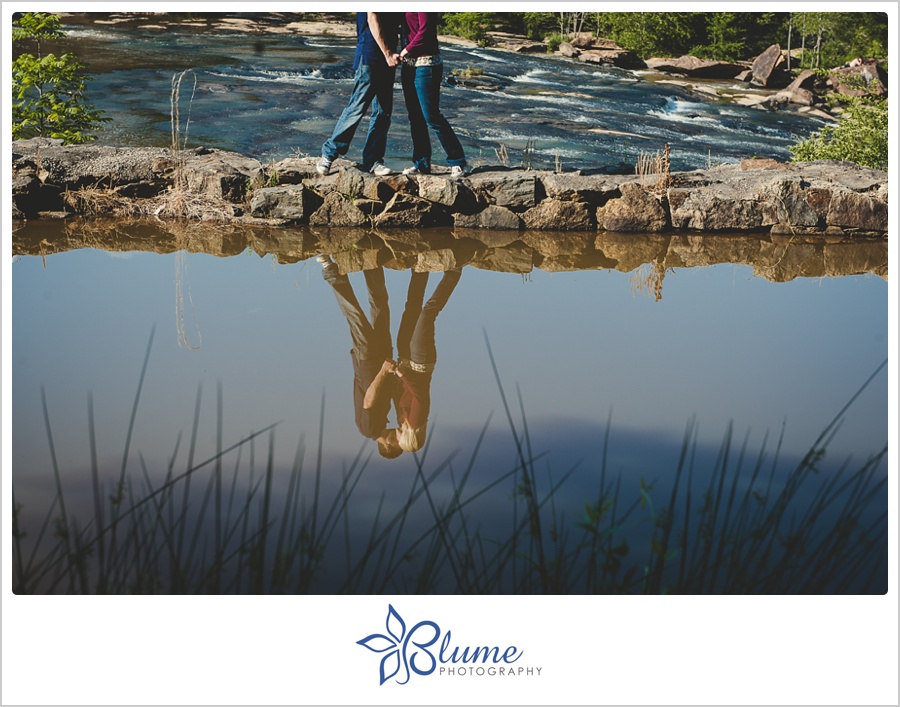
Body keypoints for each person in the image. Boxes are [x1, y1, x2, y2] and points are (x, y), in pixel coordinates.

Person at [316, 256, 403, 459]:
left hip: (368, 361)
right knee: (381, 307)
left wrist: (383, 370)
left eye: (398, 443)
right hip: (380, 359)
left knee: (354, 315)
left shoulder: (369, 430)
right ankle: (371, 261)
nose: (399, 439)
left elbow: (368, 400)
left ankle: (328, 268)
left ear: (388, 447)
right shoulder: (384, 420)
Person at [317, 13, 401, 178]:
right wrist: (387, 53)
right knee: (357, 106)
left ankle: (373, 160)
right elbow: (372, 19)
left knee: (383, 111)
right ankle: (328, 154)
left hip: (389, 56)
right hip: (371, 54)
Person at [390, 268, 463, 452]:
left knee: (412, 308)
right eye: (400, 441)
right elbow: (420, 395)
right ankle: (454, 272)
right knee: (427, 314)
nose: (395, 439)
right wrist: (400, 373)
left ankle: (420, 269)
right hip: (420, 362)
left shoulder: (403, 418)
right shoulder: (416, 421)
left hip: (406, 358)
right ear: (408, 438)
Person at [398, 12, 470, 179]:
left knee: (431, 115)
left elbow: (426, 31)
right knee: (415, 117)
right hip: (409, 64)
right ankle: (421, 163)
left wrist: (406, 50)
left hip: (426, 63)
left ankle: (458, 161)